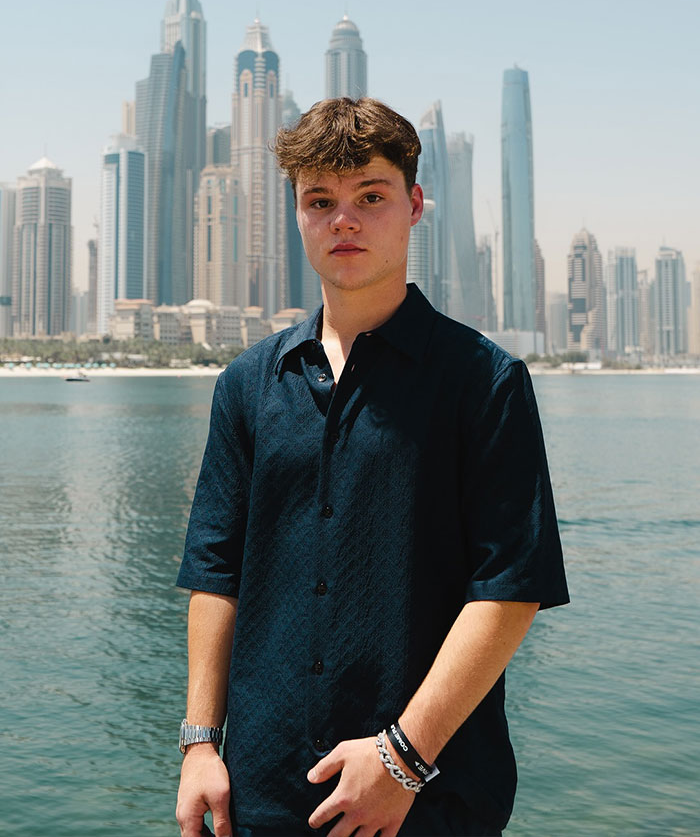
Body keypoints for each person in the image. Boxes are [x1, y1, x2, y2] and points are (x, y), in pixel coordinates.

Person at [175, 97, 569, 837]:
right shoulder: (247, 385)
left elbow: (509, 592)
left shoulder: (484, 382)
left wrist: (401, 761)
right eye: (320, 201)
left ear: (415, 205)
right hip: (262, 797)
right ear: (296, 215)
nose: (344, 220)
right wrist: (201, 744)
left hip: (429, 801)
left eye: (371, 197)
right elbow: (214, 574)